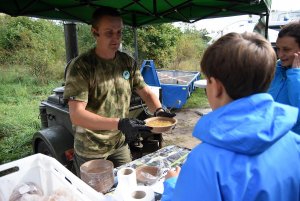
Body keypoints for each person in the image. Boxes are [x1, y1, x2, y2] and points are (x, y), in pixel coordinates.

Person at [162, 32, 300, 201]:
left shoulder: (205, 161)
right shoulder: (295, 143)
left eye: (208, 82)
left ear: (217, 87)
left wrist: (171, 185)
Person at [63, 7, 175, 176]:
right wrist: (120, 123)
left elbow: (145, 92)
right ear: (95, 32)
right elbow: (77, 115)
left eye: (119, 32)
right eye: (109, 33)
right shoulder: (82, 66)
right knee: (96, 193)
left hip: (118, 143)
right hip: (91, 147)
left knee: (129, 183)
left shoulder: (127, 62)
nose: (116, 38)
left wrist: (159, 110)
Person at [268, 20, 300, 135]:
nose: (280, 55)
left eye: (286, 49)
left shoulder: (294, 75)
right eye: (278, 48)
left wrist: (295, 74)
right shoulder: (275, 69)